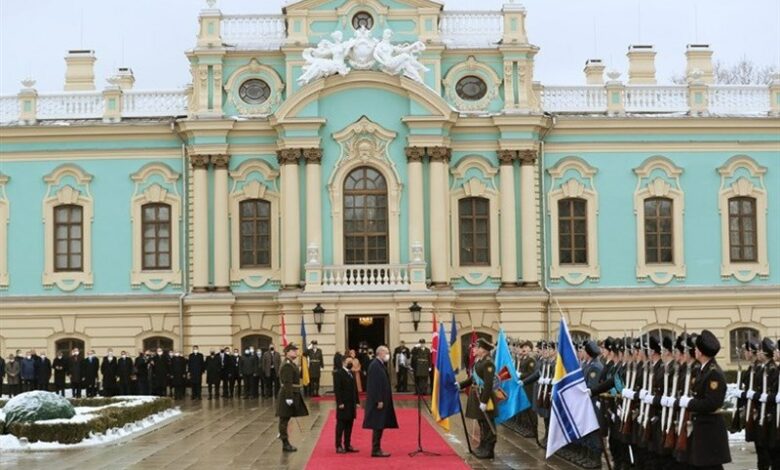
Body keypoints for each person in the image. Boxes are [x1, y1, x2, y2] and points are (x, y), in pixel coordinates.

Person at [675, 329, 731, 469]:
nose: (694, 351)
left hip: (709, 430)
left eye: (696, 348)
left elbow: (711, 403)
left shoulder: (713, 373)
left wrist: (689, 403)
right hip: (702, 428)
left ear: (700, 352)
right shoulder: (704, 370)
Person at [458, 338, 497, 459]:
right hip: (478, 396)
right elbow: (472, 379)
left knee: (488, 423)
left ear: (484, 350)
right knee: (481, 422)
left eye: (478, 348)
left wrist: (484, 401)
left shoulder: (488, 363)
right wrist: (460, 385)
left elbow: (488, 384)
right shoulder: (478, 362)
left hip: (486, 398)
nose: (475, 349)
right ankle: (483, 445)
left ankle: (489, 449)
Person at [362, 345, 398, 458]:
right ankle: (376, 449)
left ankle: (377, 448)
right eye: (386, 353)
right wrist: (379, 400)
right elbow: (374, 385)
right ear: (380, 353)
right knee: (377, 425)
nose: (388, 355)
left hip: (383, 400)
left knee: (380, 425)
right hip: (378, 402)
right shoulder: (375, 365)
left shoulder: (380, 365)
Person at [276, 343, 309, 452]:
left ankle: (284, 440)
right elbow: (287, 383)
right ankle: (285, 443)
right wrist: (289, 397)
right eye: (293, 350)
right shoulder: (287, 365)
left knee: (286, 418)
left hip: (291, 393)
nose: (296, 352)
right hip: (287, 394)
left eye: (296, 350)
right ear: (287, 352)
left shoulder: (291, 364)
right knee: (284, 419)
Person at [333, 354, 360, 454]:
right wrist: (339, 402)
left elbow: (355, 389)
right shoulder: (338, 373)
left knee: (349, 425)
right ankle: (338, 445)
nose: (351, 363)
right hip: (343, 404)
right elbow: (337, 390)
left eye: (351, 361)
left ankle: (347, 444)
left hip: (351, 404)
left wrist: (357, 401)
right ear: (343, 362)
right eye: (349, 361)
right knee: (340, 426)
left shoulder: (351, 373)